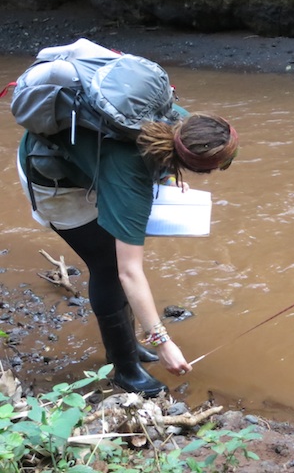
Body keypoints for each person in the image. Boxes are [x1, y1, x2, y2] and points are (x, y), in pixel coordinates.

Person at [16, 112, 239, 397]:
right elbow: (129, 272)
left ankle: (129, 346)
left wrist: (168, 177)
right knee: (108, 265)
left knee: (112, 254)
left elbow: (160, 156)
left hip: (87, 157)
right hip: (50, 177)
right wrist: (163, 342)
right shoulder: (131, 179)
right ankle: (124, 368)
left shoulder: (181, 121)